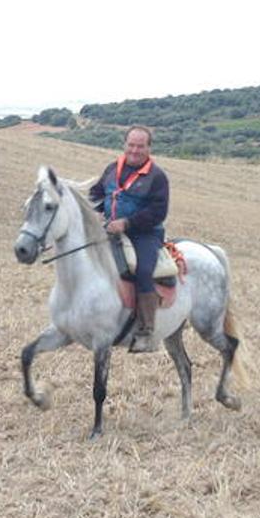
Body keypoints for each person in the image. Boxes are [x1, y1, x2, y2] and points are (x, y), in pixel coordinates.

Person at [88, 125, 170, 352]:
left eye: (140, 146)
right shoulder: (113, 168)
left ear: (149, 148)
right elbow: (96, 193)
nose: (135, 150)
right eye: (131, 145)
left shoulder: (157, 177)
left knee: (143, 271)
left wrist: (127, 223)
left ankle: (146, 331)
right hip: (110, 230)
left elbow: (158, 212)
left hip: (145, 234)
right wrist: (96, 210)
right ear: (124, 145)